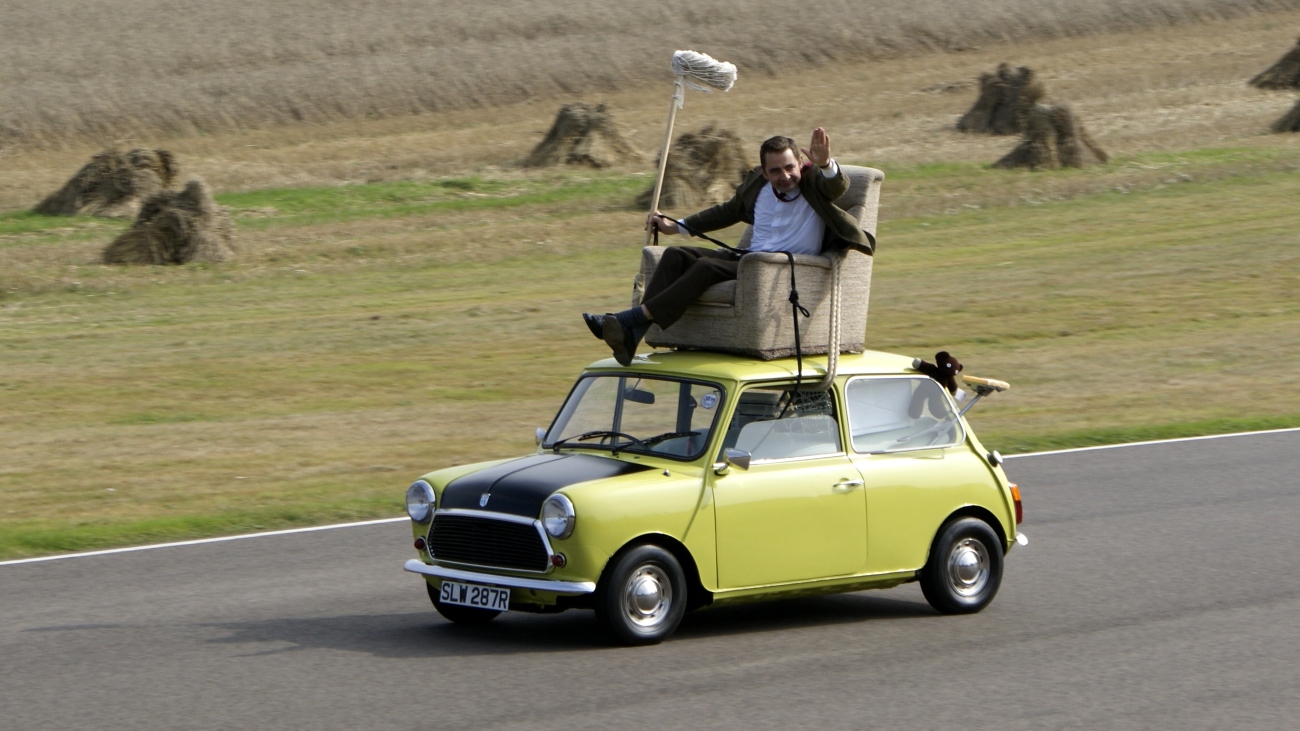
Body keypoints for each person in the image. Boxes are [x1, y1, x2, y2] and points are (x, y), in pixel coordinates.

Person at [583, 127, 875, 366]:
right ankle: (634, 334)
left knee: (706, 267)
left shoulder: (814, 183)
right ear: (763, 172)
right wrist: (677, 225)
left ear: (801, 162)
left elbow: (836, 187)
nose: (784, 176)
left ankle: (628, 319)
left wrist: (825, 164)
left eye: (789, 167)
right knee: (675, 256)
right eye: (775, 171)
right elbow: (725, 212)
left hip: (780, 268)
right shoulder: (757, 188)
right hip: (746, 258)